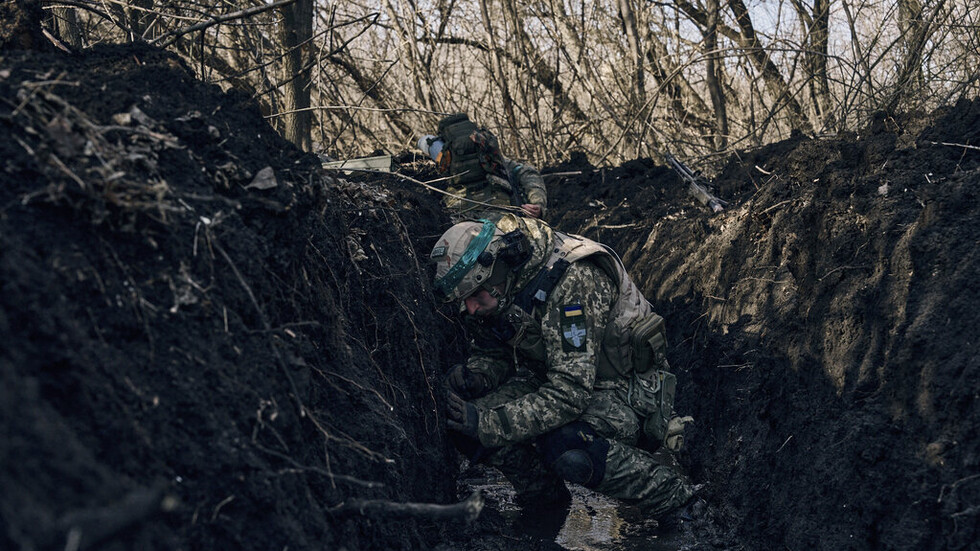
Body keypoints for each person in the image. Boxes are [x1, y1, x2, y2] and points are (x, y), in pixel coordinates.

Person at [429, 214, 703, 527]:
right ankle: (544, 498)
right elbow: (495, 349)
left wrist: (488, 423)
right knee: (459, 424)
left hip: (625, 391)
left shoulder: (572, 282)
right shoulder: (501, 281)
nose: (472, 309)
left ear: (498, 268)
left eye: (476, 297)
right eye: (465, 302)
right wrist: (478, 376)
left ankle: (673, 498)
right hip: (555, 378)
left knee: (568, 447)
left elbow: (570, 393)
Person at [417, 113, 547, 219]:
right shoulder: (492, 161)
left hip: (460, 223)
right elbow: (527, 173)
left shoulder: (443, 165)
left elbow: (423, 141)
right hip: (505, 218)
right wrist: (537, 203)